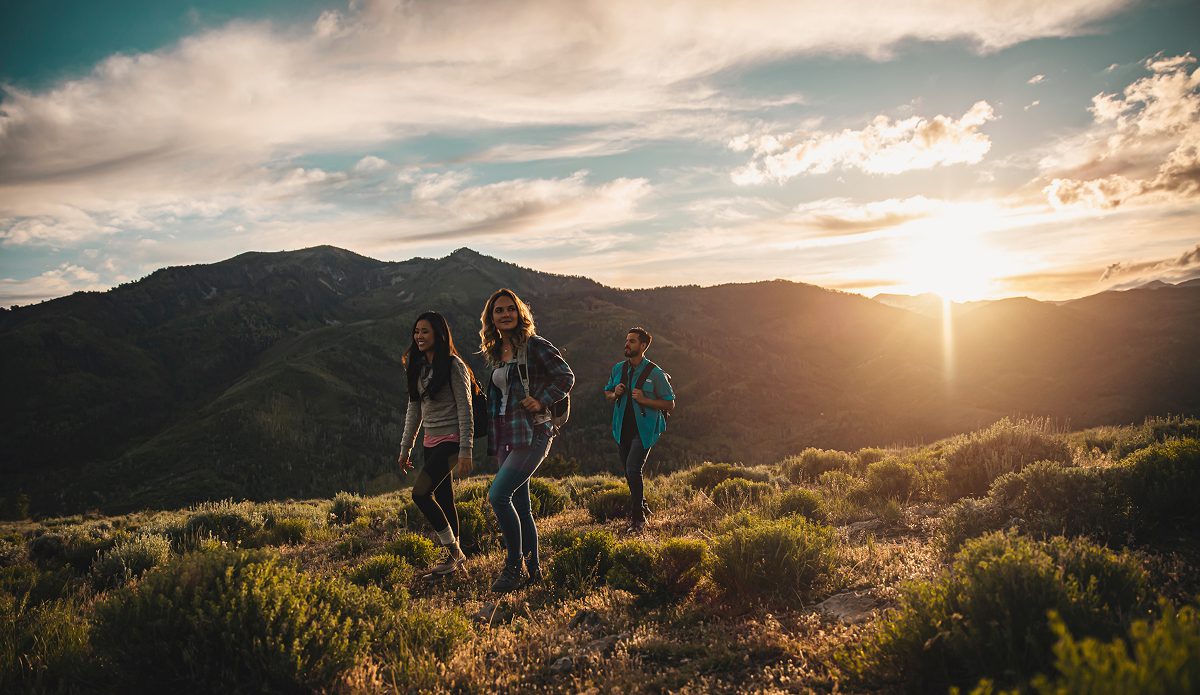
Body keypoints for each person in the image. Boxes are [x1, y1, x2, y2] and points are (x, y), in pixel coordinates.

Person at [480, 288, 574, 592]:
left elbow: (566, 376)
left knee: (497, 496)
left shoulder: (534, 345)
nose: (505, 314)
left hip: (534, 431)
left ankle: (513, 568)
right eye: (499, 310)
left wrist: (541, 400)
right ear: (490, 318)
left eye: (510, 309)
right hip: (507, 435)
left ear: (520, 313)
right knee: (521, 505)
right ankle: (533, 571)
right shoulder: (496, 352)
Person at [397, 311, 475, 577]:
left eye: (425, 331)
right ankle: (456, 564)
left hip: (451, 441)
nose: (419, 336)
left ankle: (454, 551)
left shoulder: (454, 366)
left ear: (438, 335)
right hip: (430, 441)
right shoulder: (417, 366)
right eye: (416, 331)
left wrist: (466, 450)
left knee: (420, 494)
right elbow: (413, 410)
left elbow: (466, 409)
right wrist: (405, 447)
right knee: (444, 497)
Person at [604, 327, 675, 532]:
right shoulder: (618, 369)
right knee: (629, 471)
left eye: (632, 341)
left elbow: (669, 404)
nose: (627, 344)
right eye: (627, 340)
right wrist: (614, 393)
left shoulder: (655, 372)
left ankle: (638, 520)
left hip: (644, 430)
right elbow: (607, 393)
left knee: (633, 469)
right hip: (621, 429)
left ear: (643, 346)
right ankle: (642, 505)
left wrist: (644, 400)